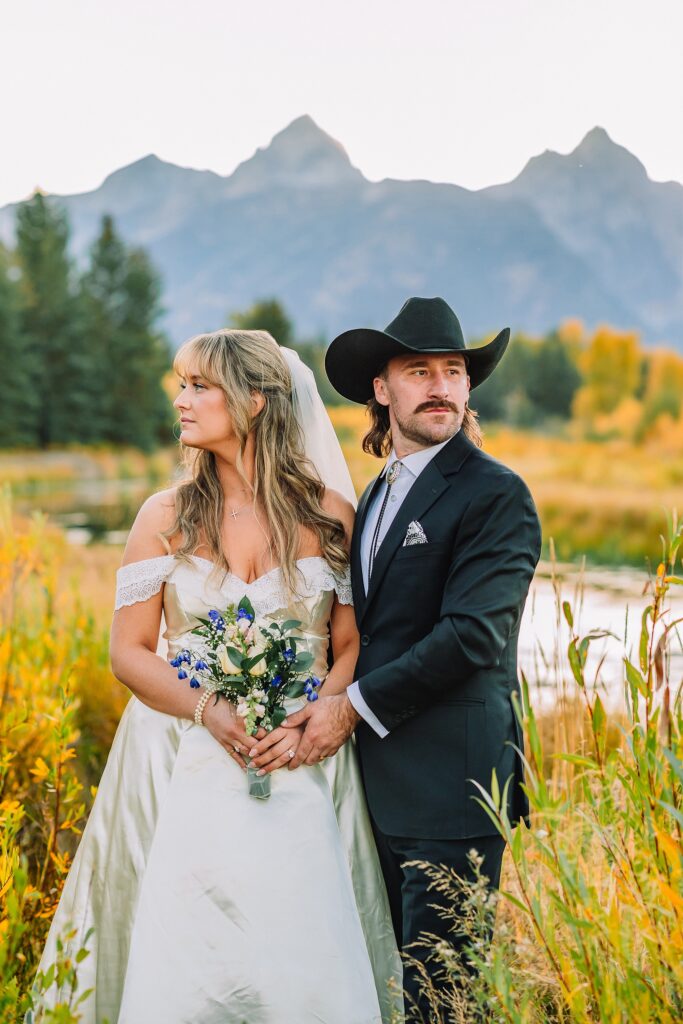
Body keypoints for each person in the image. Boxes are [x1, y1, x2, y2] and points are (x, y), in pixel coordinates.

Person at [33, 330, 400, 1024]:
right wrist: (211, 712)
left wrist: (314, 720)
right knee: (185, 949)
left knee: (300, 945)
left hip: (304, 758)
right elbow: (130, 653)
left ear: (256, 400)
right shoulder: (164, 516)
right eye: (182, 384)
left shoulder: (328, 515)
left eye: (199, 385)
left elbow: (350, 644)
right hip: (178, 754)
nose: (181, 400)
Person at [280, 296, 542, 1019]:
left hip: (450, 790)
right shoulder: (374, 496)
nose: (440, 386)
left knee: (444, 999)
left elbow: (471, 637)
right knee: (389, 989)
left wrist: (348, 708)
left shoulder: (495, 494)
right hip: (374, 787)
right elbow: (371, 630)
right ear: (381, 389)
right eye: (418, 370)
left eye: (453, 371)